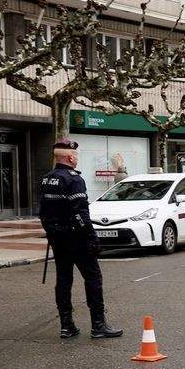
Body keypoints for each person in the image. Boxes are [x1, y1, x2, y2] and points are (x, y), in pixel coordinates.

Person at [37, 138, 122, 339]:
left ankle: (66, 326)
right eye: (75, 155)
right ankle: (98, 325)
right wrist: (91, 237)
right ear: (69, 157)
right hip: (77, 237)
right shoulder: (74, 179)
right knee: (93, 278)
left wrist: (51, 232)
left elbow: (43, 212)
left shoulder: (47, 178)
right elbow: (80, 212)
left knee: (64, 280)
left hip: (58, 238)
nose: (76, 158)